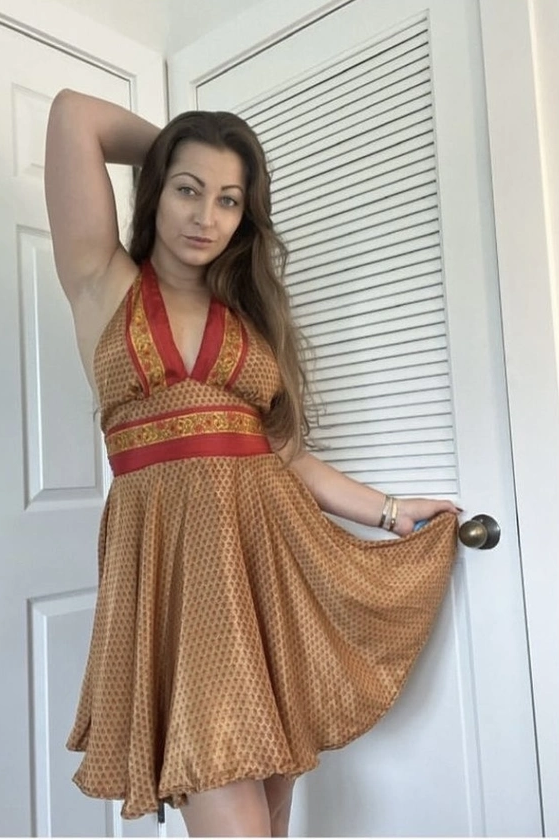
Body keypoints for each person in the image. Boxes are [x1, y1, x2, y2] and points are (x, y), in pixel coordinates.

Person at [44, 89, 461, 838]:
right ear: (157, 189)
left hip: (268, 575)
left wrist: (391, 511)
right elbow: (75, 114)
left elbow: (285, 456)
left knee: (267, 817)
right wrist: (179, 142)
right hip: (176, 579)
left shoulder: (249, 319)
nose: (205, 217)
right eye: (188, 189)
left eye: (229, 200)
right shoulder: (103, 283)